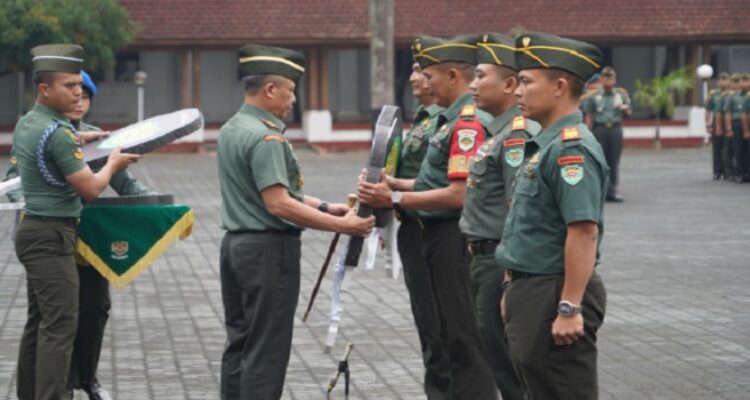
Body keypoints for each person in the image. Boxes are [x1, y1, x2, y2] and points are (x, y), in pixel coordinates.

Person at [216, 44, 374, 400]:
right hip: (268, 251)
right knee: (266, 349)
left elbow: (271, 192)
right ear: (271, 89)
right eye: (290, 90)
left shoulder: (232, 128)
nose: (293, 100)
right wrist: (343, 226)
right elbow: (278, 204)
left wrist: (324, 206)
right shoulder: (267, 136)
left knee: (239, 342)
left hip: (236, 248)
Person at [358, 34, 498, 400]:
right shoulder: (445, 121)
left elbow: (457, 195)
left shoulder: (467, 124)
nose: (422, 80)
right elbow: (433, 180)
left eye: (429, 74)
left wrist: (395, 195)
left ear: (453, 75)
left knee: (463, 342)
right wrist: (392, 184)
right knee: (439, 336)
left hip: (452, 237)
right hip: (430, 234)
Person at [13, 44, 139, 400]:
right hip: (53, 235)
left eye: (79, 86)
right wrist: (113, 162)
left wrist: (90, 137)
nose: (78, 91)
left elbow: (56, 140)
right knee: (61, 327)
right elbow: (90, 190)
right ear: (45, 89)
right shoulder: (60, 133)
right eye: (69, 85)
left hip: (34, 231)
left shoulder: (29, 123)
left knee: (39, 323)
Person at [496, 32, 609, 400]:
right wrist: (514, 287)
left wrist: (569, 306)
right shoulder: (545, 144)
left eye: (526, 81)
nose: (517, 91)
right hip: (533, 289)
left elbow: (583, 233)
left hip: (554, 291)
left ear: (559, 86)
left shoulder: (569, 148)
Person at [459, 32, 541, 400]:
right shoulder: (497, 133)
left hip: (497, 262)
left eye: (480, 76)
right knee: (495, 355)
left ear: (509, 84)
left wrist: (510, 278)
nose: (472, 85)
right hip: (482, 258)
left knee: (507, 364)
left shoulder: (515, 137)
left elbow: (516, 209)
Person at [393, 42, 450, 400]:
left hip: (438, 230)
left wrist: (394, 196)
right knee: (429, 327)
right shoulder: (425, 117)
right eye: (414, 69)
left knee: (447, 329)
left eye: (422, 70)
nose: (414, 77)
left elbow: (448, 186)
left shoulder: (457, 122)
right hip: (413, 228)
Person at [584, 66, 630, 202]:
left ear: (615, 79)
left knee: (614, 161)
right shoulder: (594, 96)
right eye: (606, 77)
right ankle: (599, 191)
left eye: (611, 77)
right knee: (599, 161)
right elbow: (589, 115)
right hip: (600, 130)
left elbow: (629, 112)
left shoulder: (621, 94)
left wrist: (624, 108)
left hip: (615, 130)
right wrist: (588, 133)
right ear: (601, 79)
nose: (608, 80)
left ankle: (613, 190)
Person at [724, 73, 749, 183]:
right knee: (738, 150)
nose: (744, 83)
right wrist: (729, 128)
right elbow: (728, 112)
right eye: (742, 81)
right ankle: (739, 172)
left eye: (746, 81)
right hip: (738, 124)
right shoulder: (734, 96)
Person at [706, 73, 730, 180]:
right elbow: (708, 110)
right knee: (717, 148)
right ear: (718, 82)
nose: (723, 82)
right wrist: (708, 124)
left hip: (729, 121)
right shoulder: (713, 94)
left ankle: (727, 171)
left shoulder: (732, 94)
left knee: (728, 148)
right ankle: (717, 171)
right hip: (716, 122)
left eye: (725, 80)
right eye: (721, 80)